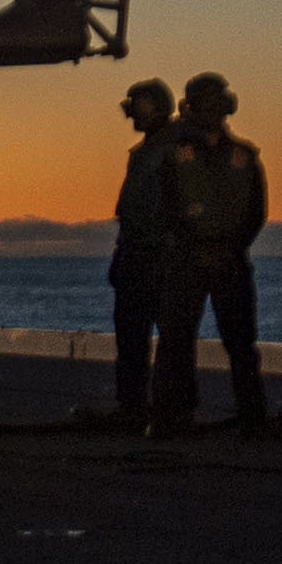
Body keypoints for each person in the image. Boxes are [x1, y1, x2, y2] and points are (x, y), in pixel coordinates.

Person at [152, 72, 270, 437]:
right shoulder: (171, 156)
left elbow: (255, 211)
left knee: (240, 342)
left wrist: (231, 246)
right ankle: (172, 415)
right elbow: (165, 208)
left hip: (231, 260)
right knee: (175, 340)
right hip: (187, 260)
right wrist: (195, 245)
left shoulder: (245, 156)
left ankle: (252, 416)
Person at [97, 78, 180, 429]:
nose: (132, 114)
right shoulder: (143, 153)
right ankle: (131, 405)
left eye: (138, 106)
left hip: (159, 255)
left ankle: (166, 408)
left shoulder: (173, 151)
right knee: (130, 336)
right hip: (134, 252)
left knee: (169, 337)